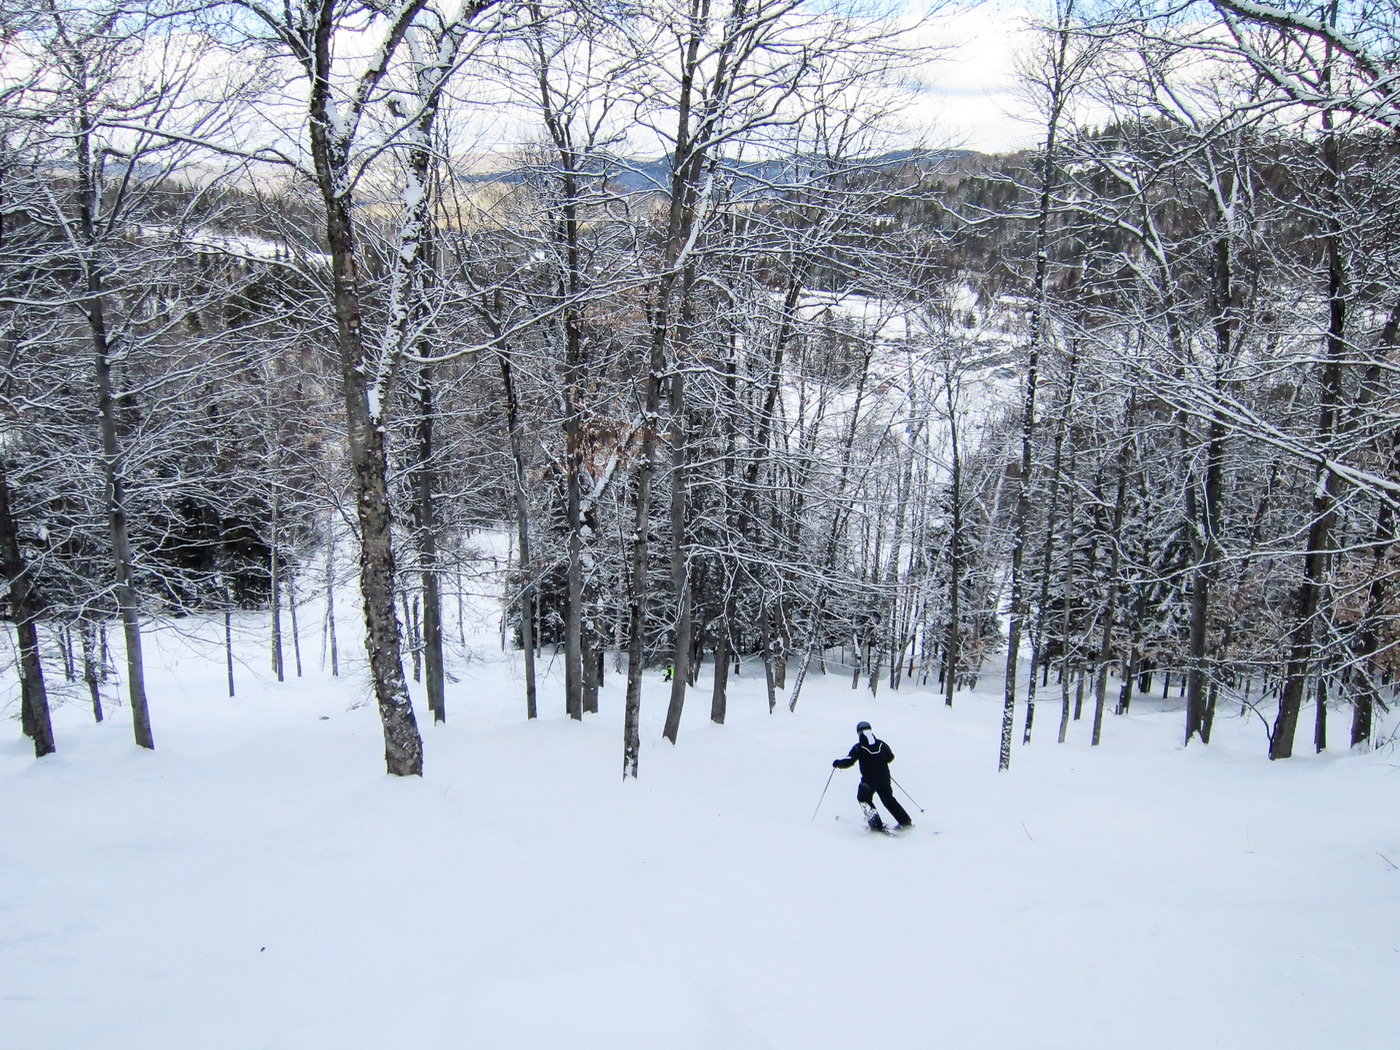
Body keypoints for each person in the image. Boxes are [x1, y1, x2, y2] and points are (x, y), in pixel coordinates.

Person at [832, 721, 912, 831]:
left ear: (859, 733)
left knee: (863, 798)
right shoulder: (881, 744)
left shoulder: (859, 747)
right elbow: (890, 757)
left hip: (869, 781)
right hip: (884, 778)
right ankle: (905, 821)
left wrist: (837, 763)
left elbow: (849, 761)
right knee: (888, 799)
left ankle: (876, 825)